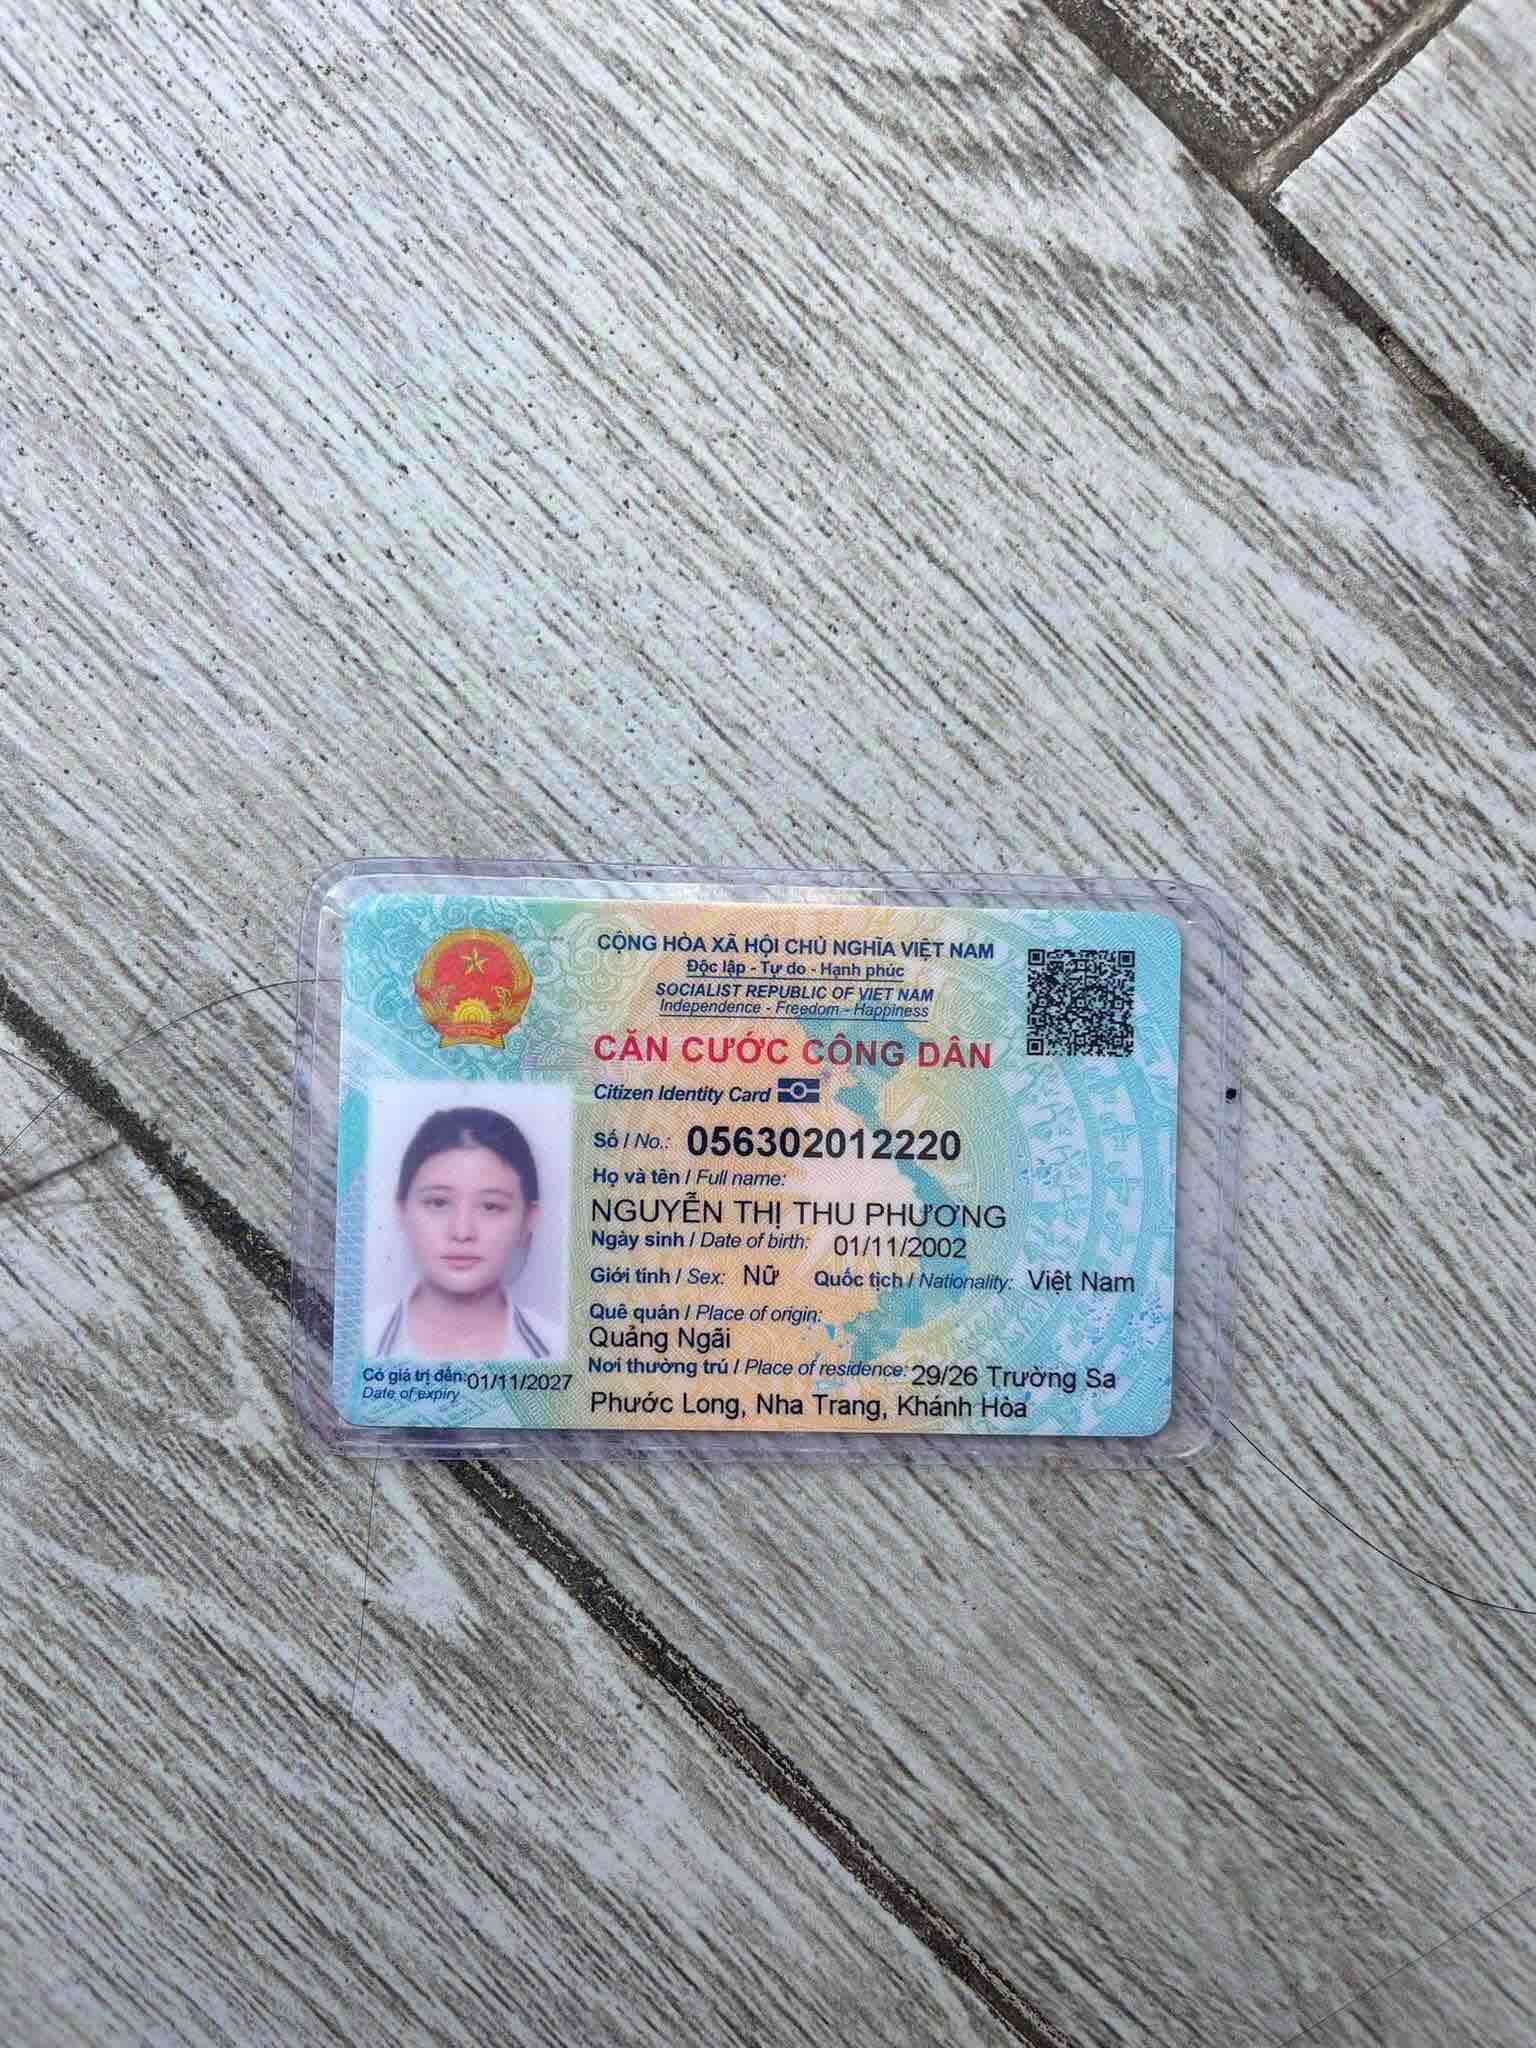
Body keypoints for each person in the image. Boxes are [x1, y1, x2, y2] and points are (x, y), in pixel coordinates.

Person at [371, 1105, 556, 1361]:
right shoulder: (358, 1343)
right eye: (438, 1203)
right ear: (402, 1211)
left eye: (490, 1206)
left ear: (528, 1220)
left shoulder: (560, 1351)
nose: (462, 1232)